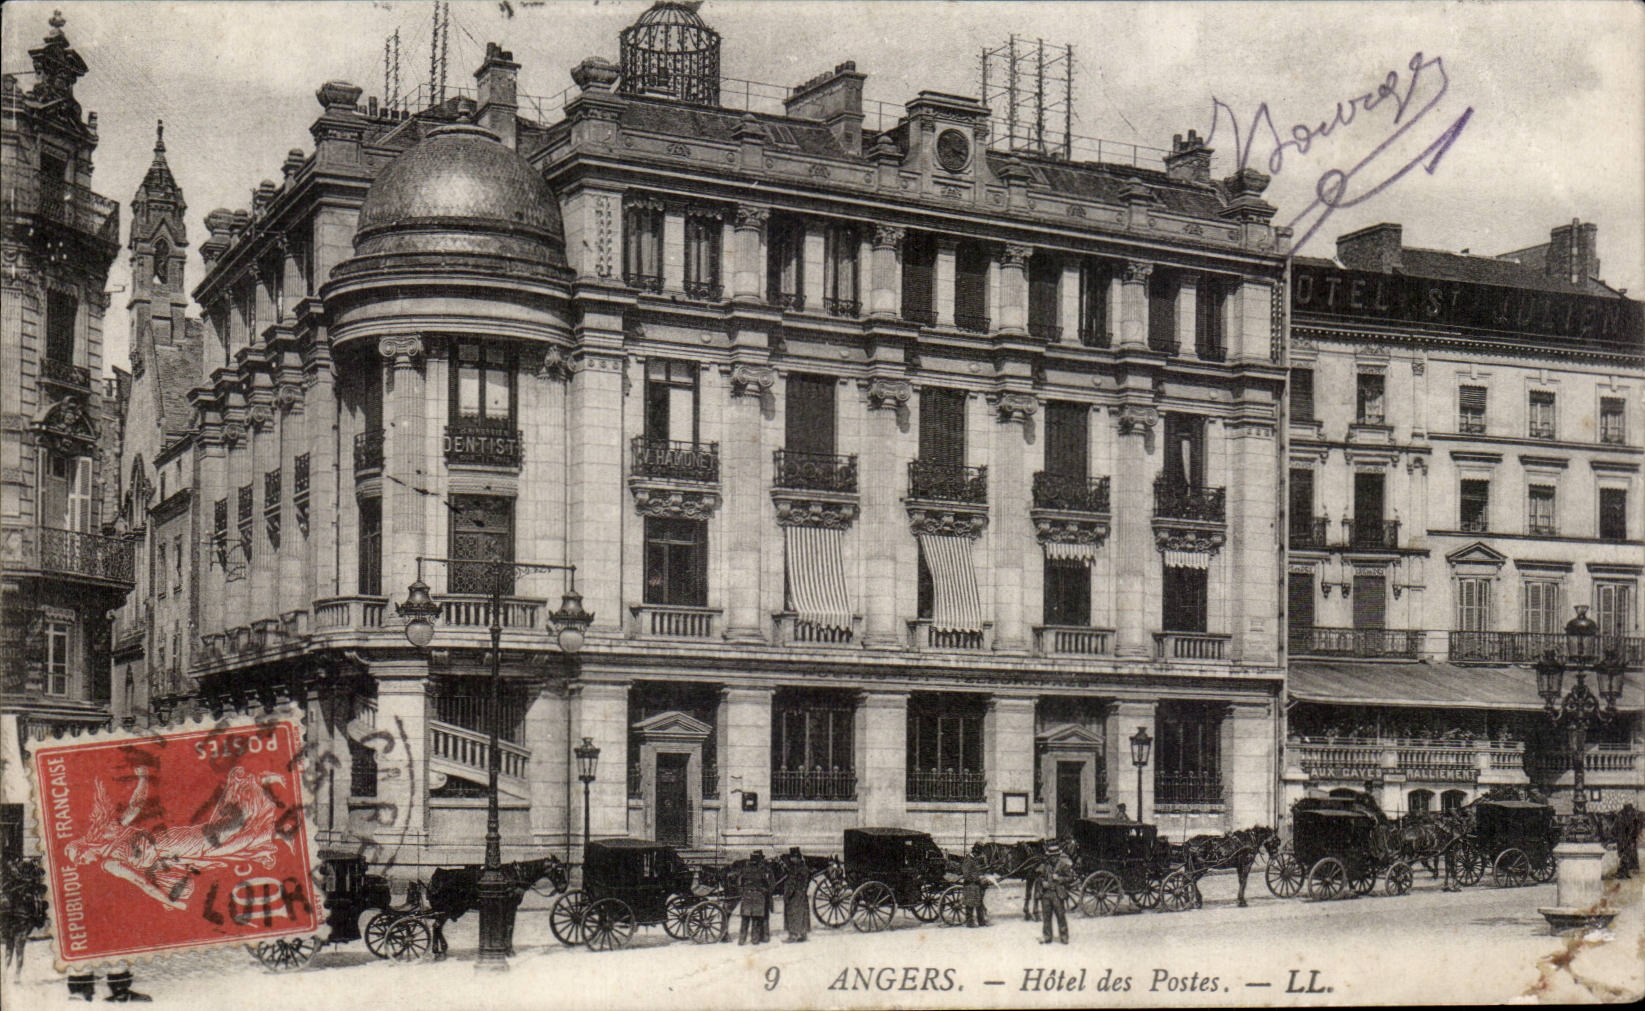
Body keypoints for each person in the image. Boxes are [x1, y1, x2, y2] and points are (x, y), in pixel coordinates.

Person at [1036, 841, 1074, 945]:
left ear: (1058, 856)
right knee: (1046, 917)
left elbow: (1070, 878)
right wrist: (1042, 883)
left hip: (1057, 894)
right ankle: (1047, 936)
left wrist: (1059, 879)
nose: (1053, 858)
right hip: (1046, 894)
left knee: (1060, 916)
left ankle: (1064, 936)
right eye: (1051, 856)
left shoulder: (1063, 866)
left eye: (1055, 856)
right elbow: (1039, 878)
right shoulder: (1045, 866)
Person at [737, 851, 774, 945]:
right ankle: (755, 940)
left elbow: (739, 882)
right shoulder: (762, 870)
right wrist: (765, 891)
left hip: (747, 897)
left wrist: (743, 892)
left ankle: (741, 940)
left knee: (745, 920)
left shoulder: (745, 869)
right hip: (758, 897)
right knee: (756, 920)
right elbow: (769, 884)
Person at [781, 847, 810, 942]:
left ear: (796, 857)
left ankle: (792, 935)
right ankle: (803, 934)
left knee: (792, 914)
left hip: (794, 896)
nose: (790, 859)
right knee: (803, 914)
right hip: (802, 894)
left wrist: (787, 895)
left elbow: (792, 883)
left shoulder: (795, 869)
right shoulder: (804, 867)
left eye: (792, 857)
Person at [960, 850, 989, 927]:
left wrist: (980, 877)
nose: (978, 856)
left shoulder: (973, 859)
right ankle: (970, 923)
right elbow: (966, 874)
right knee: (970, 904)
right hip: (970, 885)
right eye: (978, 854)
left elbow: (976, 871)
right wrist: (976, 878)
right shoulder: (968, 860)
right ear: (975, 852)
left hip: (976, 885)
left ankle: (981, 922)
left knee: (979, 903)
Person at [1615, 803, 1642, 879]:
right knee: (1624, 852)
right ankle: (1623, 870)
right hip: (1623, 837)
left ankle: (1626, 870)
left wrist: (1634, 834)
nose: (1629, 812)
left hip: (1630, 837)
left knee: (1630, 852)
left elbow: (1637, 826)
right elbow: (1619, 829)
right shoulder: (1620, 815)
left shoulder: (1634, 815)